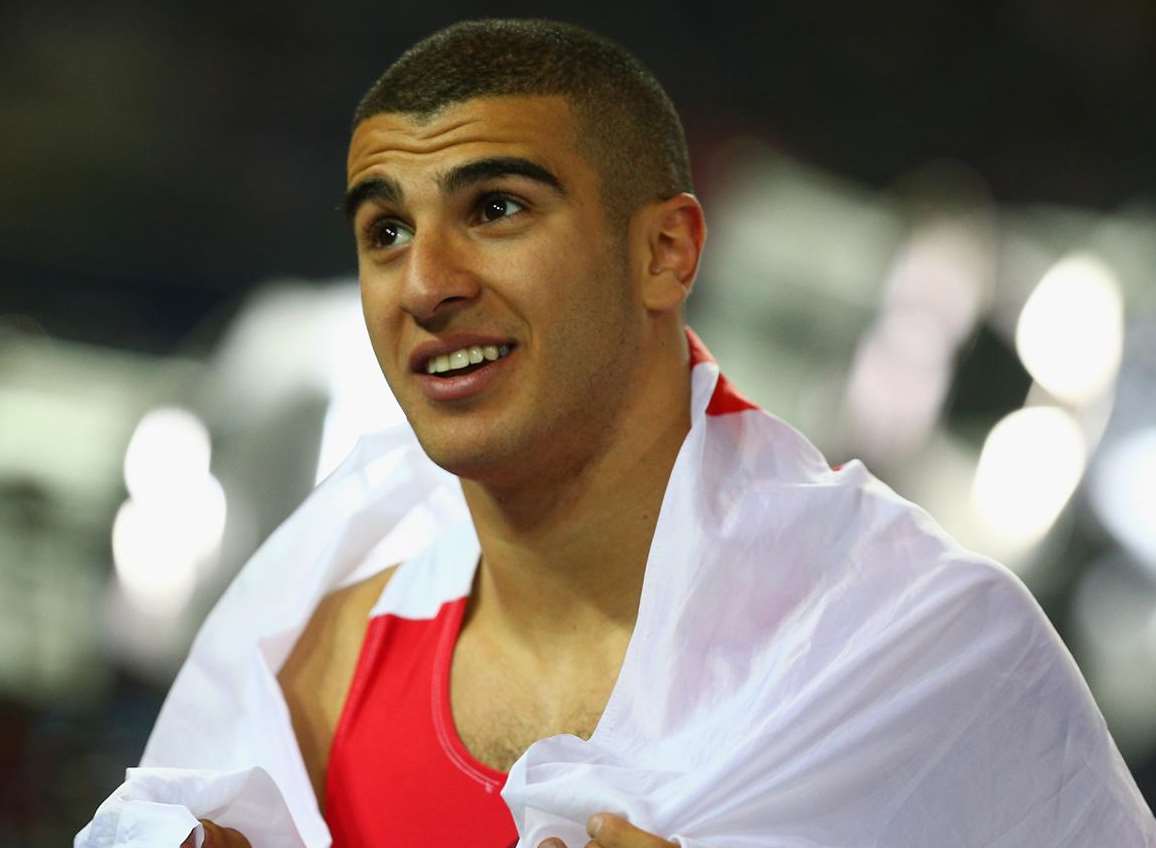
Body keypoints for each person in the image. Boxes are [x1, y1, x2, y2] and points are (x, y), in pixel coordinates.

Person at [78, 18, 1155, 848]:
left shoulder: (921, 653)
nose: (428, 284)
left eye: (496, 208)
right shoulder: (300, 685)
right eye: (387, 229)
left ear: (666, 252)